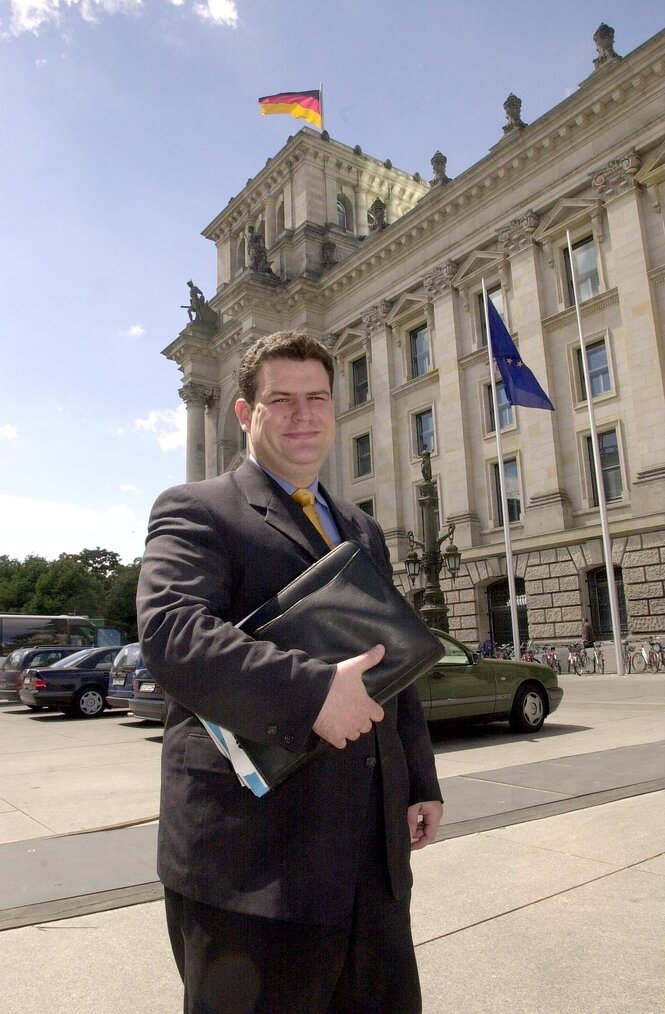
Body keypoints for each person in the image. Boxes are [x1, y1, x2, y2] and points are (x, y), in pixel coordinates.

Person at [137, 330, 443, 1014]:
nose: (303, 415)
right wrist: (309, 694)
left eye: (317, 398)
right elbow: (171, 634)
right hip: (250, 869)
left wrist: (417, 780)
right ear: (245, 413)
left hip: (370, 865)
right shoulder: (196, 509)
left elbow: (394, 665)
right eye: (281, 400)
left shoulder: (360, 529)